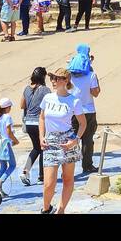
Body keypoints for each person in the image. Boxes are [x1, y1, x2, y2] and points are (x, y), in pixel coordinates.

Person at [39, 71, 85, 214]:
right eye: (52, 78)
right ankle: (46, 209)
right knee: (49, 183)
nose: (53, 81)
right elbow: (41, 118)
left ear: (65, 81)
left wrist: (75, 140)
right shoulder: (47, 98)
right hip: (50, 141)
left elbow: (82, 124)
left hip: (68, 141)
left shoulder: (74, 101)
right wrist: (41, 137)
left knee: (67, 178)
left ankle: (61, 209)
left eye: (57, 78)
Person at [68, 45, 100, 173]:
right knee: (87, 140)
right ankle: (87, 165)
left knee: (71, 139)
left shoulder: (69, 75)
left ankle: (68, 165)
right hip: (88, 111)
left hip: (72, 111)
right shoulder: (91, 75)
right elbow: (95, 93)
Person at [19, 67, 47, 187]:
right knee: (43, 149)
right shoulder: (45, 90)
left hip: (29, 123)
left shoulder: (26, 89)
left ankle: (25, 171)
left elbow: (22, 105)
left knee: (36, 148)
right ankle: (42, 176)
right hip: (39, 122)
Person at [0, 99, 18, 194]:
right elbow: (9, 132)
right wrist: (16, 140)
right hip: (6, 144)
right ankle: (0, 182)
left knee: (3, 166)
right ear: (6, 107)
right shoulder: (7, 117)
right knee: (12, 165)